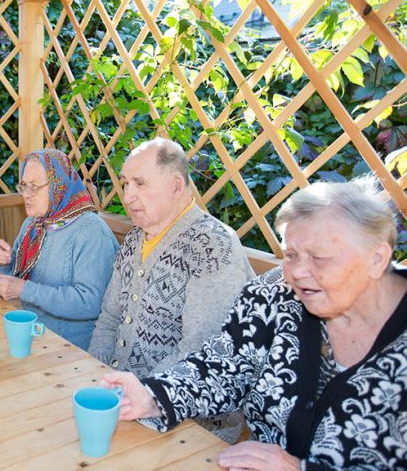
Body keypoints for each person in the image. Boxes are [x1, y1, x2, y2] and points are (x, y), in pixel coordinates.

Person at [101, 178, 407, 470]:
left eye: (319, 257)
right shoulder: (273, 295)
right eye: (291, 255)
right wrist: (152, 396)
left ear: (377, 258)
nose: (297, 272)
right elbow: (222, 368)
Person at [87, 138, 254, 442]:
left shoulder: (212, 245)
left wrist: (143, 396)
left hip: (191, 428)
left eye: (140, 184)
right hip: (125, 405)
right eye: (125, 184)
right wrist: (96, 377)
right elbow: (109, 319)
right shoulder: (136, 240)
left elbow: (202, 349)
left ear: (177, 186)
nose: (127, 196)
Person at [0, 149, 119, 350]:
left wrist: (25, 290)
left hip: (72, 351)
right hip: (34, 336)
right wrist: (4, 261)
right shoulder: (34, 224)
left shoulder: (92, 233)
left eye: (34, 187)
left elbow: (91, 303)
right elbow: (14, 278)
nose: (26, 195)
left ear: (59, 186)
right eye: (24, 186)